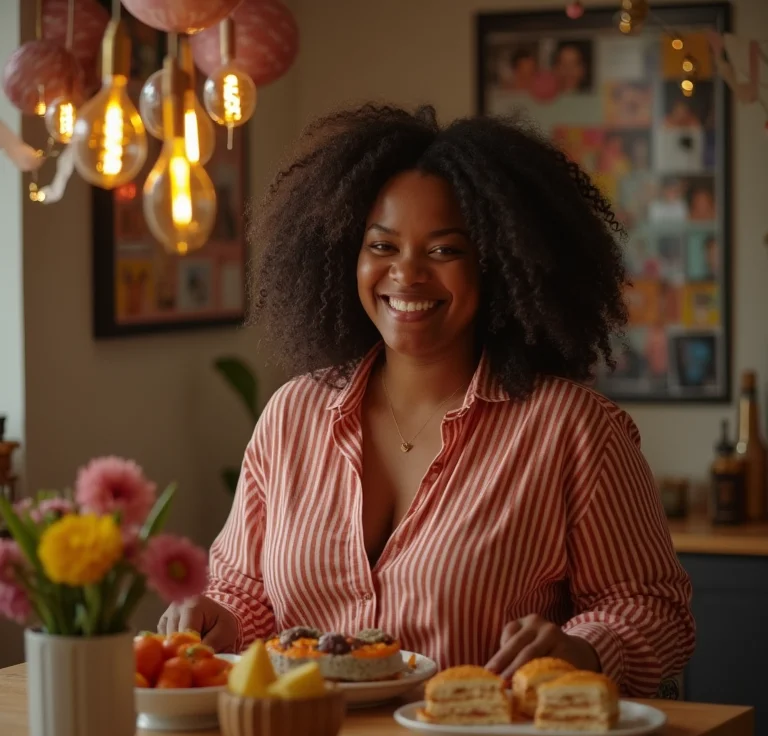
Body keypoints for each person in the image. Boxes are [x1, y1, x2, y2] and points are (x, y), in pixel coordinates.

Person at [159, 104, 695, 697]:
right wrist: (216, 618)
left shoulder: (573, 430)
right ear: (345, 256)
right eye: (382, 246)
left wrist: (587, 647)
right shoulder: (292, 416)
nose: (407, 274)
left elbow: (652, 607)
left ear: (499, 266)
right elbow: (244, 591)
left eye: (444, 251)